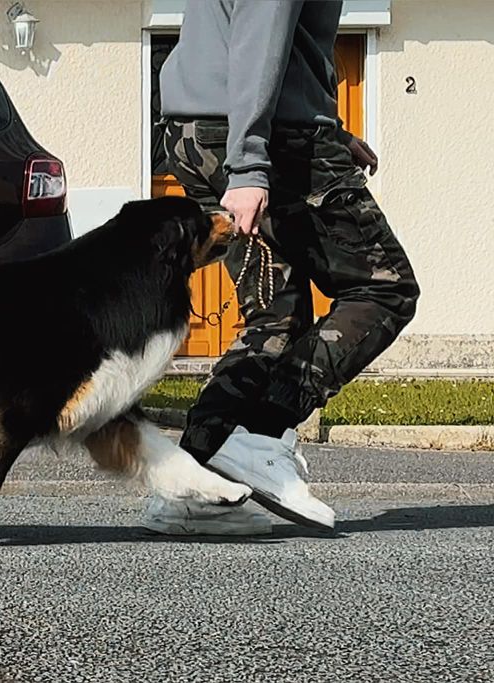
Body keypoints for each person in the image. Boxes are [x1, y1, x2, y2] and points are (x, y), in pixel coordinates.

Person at [148, 0, 420, 535]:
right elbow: (258, 32)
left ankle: (193, 482)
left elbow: (251, 39)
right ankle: (263, 437)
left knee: (274, 314)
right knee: (383, 288)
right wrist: (249, 163)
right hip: (266, 140)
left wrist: (328, 126)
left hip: (195, 133)